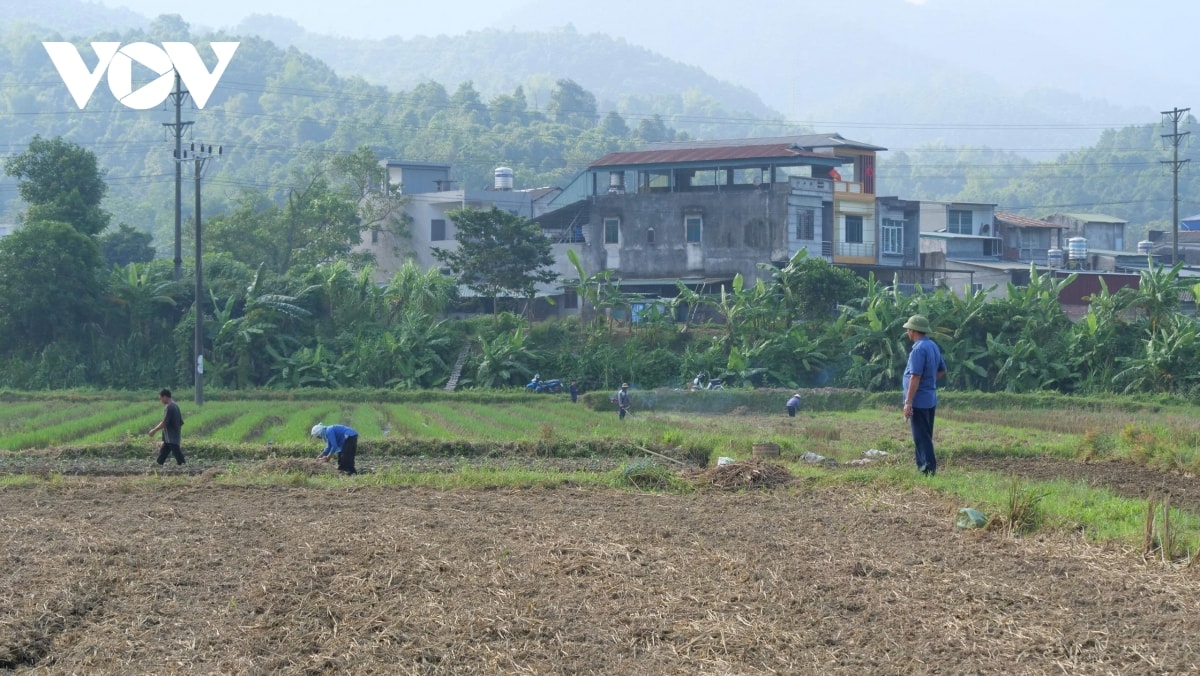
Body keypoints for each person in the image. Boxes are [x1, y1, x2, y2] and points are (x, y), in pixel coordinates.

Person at [902, 315, 947, 476]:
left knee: (921, 437)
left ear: (913, 331)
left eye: (908, 329)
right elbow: (942, 370)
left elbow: (915, 376)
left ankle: (927, 469)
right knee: (925, 435)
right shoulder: (932, 346)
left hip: (919, 400)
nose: (908, 332)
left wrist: (908, 402)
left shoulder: (918, 349)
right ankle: (922, 466)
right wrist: (929, 380)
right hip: (930, 398)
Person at [147, 388, 185, 466]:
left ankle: (184, 466)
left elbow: (164, 423)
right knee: (164, 451)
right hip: (171, 435)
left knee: (177, 453)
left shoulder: (169, 407)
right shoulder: (175, 405)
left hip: (171, 436)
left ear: (164, 397)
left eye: (160, 398)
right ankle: (158, 464)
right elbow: (180, 422)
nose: (161, 401)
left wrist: (154, 430)